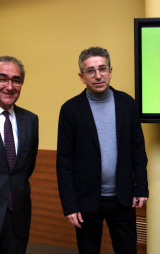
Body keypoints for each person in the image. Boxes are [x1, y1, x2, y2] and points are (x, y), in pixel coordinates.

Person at [56, 46, 148, 254]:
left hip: (123, 198)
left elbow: (137, 149)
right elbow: (64, 161)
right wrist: (70, 205)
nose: (98, 76)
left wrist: (141, 187)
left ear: (110, 71)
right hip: (86, 201)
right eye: (91, 71)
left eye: (102, 68)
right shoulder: (70, 110)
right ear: (82, 77)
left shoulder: (127, 104)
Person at [0, 56, 39, 254]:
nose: (9, 86)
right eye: (2, 78)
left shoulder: (31, 120)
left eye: (16, 80)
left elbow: (26, 168)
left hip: (18, 217)